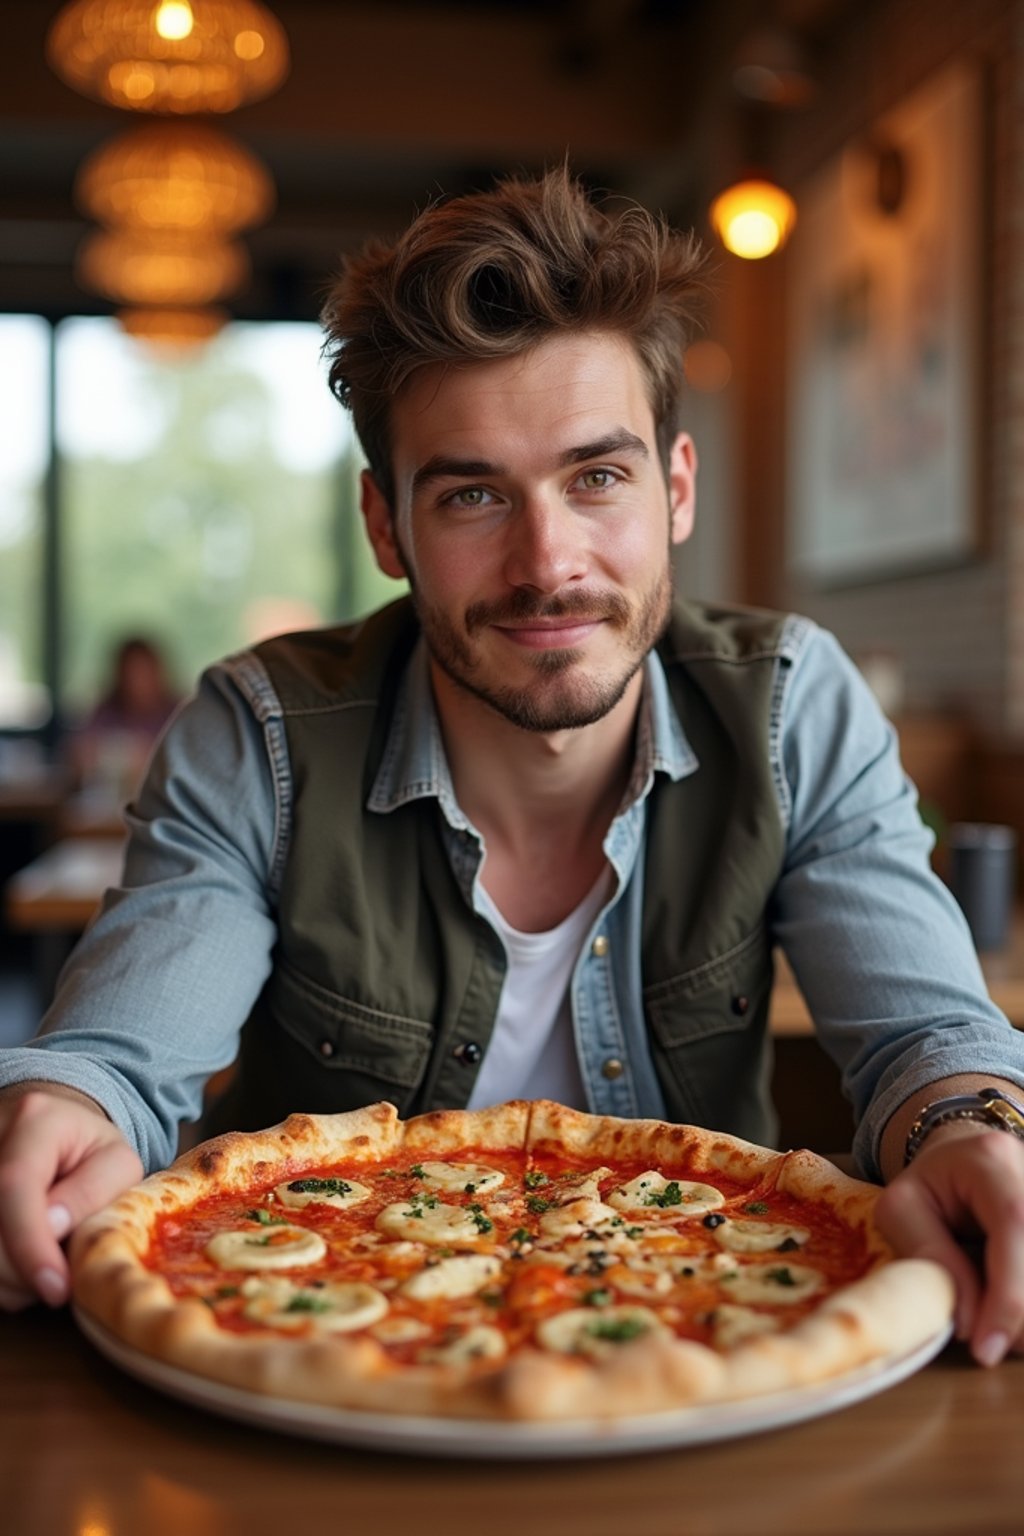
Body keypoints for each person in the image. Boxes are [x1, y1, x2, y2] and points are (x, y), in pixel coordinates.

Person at [2, 169, 1024, 1364]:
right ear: (387, 528)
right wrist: (62, 1115)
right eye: (474, 494)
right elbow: (123, 1063)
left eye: (597, 477)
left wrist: (971, 1132)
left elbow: (926, 1043)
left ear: (674, 489)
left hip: (720, 1355)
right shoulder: (258, 730)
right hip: (313, 1369)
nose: (548, 563)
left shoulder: (797, 704)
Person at [69, 635, 180, 801]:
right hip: (108, 807)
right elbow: (79, 755)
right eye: (131, 672)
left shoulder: (178, 712)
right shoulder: (106, 710)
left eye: (143, 672)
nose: (136, 681)